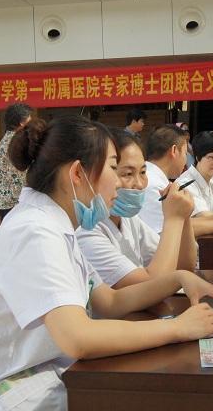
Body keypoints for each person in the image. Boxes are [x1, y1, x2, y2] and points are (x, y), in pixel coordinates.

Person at [0, 115, 213, 411]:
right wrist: (178, 328)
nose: (119, 182)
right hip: (16, 400)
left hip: (50, 380)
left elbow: (110, 301)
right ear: (77, 174)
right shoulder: (35, 232)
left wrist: (180, 278)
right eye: (114, 168)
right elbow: (78, 338)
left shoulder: (58, 225)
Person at [76, 128, 197, 302]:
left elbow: (182, 267)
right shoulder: (86, 230)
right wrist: (174, 218)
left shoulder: (129, 219)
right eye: (127, 174)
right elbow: (153, 286)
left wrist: (184, 216)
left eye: (143, 172)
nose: (139, 185)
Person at [138, 125, 213, 237]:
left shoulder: (157, 180)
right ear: (174, 151)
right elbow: (175, 228)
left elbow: (184, 223)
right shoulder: (153, 185)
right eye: (185, 153)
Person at [0, 102, 32, 220]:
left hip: (6, 200)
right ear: (21, 122)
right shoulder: (17, 141)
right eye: (29, 118)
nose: (31, 120)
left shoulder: (6, 139)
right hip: (15, 201)